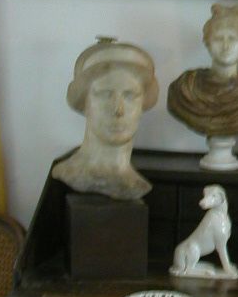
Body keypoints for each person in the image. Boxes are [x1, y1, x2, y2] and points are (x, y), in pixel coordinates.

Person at [167, 3, 238, 169]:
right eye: (219, 39)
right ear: (207, 42)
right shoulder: (186, 87)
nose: (226, 46)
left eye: (232, 39)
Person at [52, 38, 159, 199]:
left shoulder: (137, 184)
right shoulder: (69, 173)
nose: (118, 110)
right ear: (84, 101)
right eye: (105, 94)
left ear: (143, 103)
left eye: (130, 95)